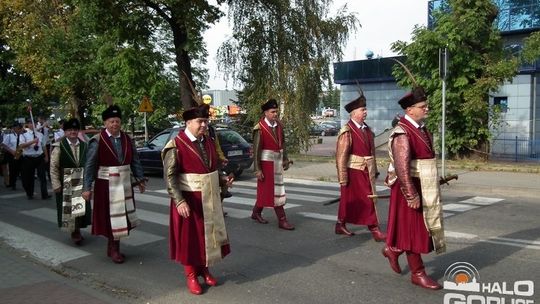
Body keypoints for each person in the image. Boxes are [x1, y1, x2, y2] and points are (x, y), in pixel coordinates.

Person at [162, 105, 232, 295]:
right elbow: (170, 177)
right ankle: (191, 275)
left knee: (207, 237)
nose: (204, 125)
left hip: (208, 198)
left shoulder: (208, 142)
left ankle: (204, 269)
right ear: (188, 123)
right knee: (190, 240)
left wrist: (223, 179)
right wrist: (179, 201)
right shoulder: (176, 145)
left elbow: (212, 169)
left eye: (206, 121)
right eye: (200, 122)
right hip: (189, 199)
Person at [382, 85, 445, 290]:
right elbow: (402, 167)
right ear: (410, 110)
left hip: (423, 186)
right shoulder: (402, 133)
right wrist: (411, 194)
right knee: (414, 230)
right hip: (410, 189)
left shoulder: (421, 128)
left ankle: (393, 249)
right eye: (423, 106)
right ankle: (418, 273)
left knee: (420, 228)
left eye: (426, 105)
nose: (427, 109)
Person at [82, 104, 146, 263]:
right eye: (111, 121)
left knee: (122, 217)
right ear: (105, 123)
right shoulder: (97, 140)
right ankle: (114, 248)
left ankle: (113, 246)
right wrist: (87, 188)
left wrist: (140, 179)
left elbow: (135, 160)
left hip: (124, 184)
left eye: (117, 121)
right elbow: (90, 165)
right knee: (110, 218)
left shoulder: (127, 139)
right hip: (106, 185)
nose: (115, 124)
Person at [334, 95, 386, 241]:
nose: (365, 112)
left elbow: (372, 152)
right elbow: (341, 156)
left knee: (354, 200)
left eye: (365, 109)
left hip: (366, 171)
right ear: (354, 112)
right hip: (353, 172)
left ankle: (340, 224)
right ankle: (375, 229)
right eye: (363, 109)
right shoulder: (347, 131)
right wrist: (343, 177)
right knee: (360, 199)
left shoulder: (367, 130)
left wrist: (374, 170)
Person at [251, 98, 294, 230]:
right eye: (272, 111)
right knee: (276, 191)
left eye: (276, 111)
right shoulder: (260, 128)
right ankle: (282, 220)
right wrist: (257, 169)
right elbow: (256, 150)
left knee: (267, 192)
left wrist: (285, 159)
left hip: (277, 162)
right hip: (266, 163)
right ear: (265, 113)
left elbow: (283, 144)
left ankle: (256, 212)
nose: (275, 114)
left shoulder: (279, 125)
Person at [50, 118, 91, 245]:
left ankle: (77, 229)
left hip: (82, 179)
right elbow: (53, 167)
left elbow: (90, 164)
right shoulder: (59, 146)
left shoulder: (85, 145)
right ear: (65, 132)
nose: (72, 132)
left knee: (80, 208)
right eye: (69, 130)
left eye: (75, 130)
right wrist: (56, 184)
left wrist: (90, 184)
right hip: (67, 180)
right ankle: (74, 232)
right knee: (70, 209)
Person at [18, 119, 50, 200]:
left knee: (42, 176)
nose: (33, 125)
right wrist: (33, 141)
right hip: (28, 158)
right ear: (27, 125)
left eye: (34, 123)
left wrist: (46, 156)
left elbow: (43, 146)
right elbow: (21, 146)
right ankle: (30, 193)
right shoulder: (24, 135)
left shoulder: (40, 134)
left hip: (39, 157)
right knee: (29, 177)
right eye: (30, 123)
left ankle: (44, 194)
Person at [0, 122, 24, 190]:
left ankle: (25, 183)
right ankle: (13, 184)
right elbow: (3, 145)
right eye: (17, 128)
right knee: (13, 170)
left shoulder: (23, 135)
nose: (19, 129)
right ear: (14, 128)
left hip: (21, 154)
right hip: (11, 155)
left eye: (20, 128)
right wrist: (11, 151)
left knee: (22, 169)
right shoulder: (9, 136)